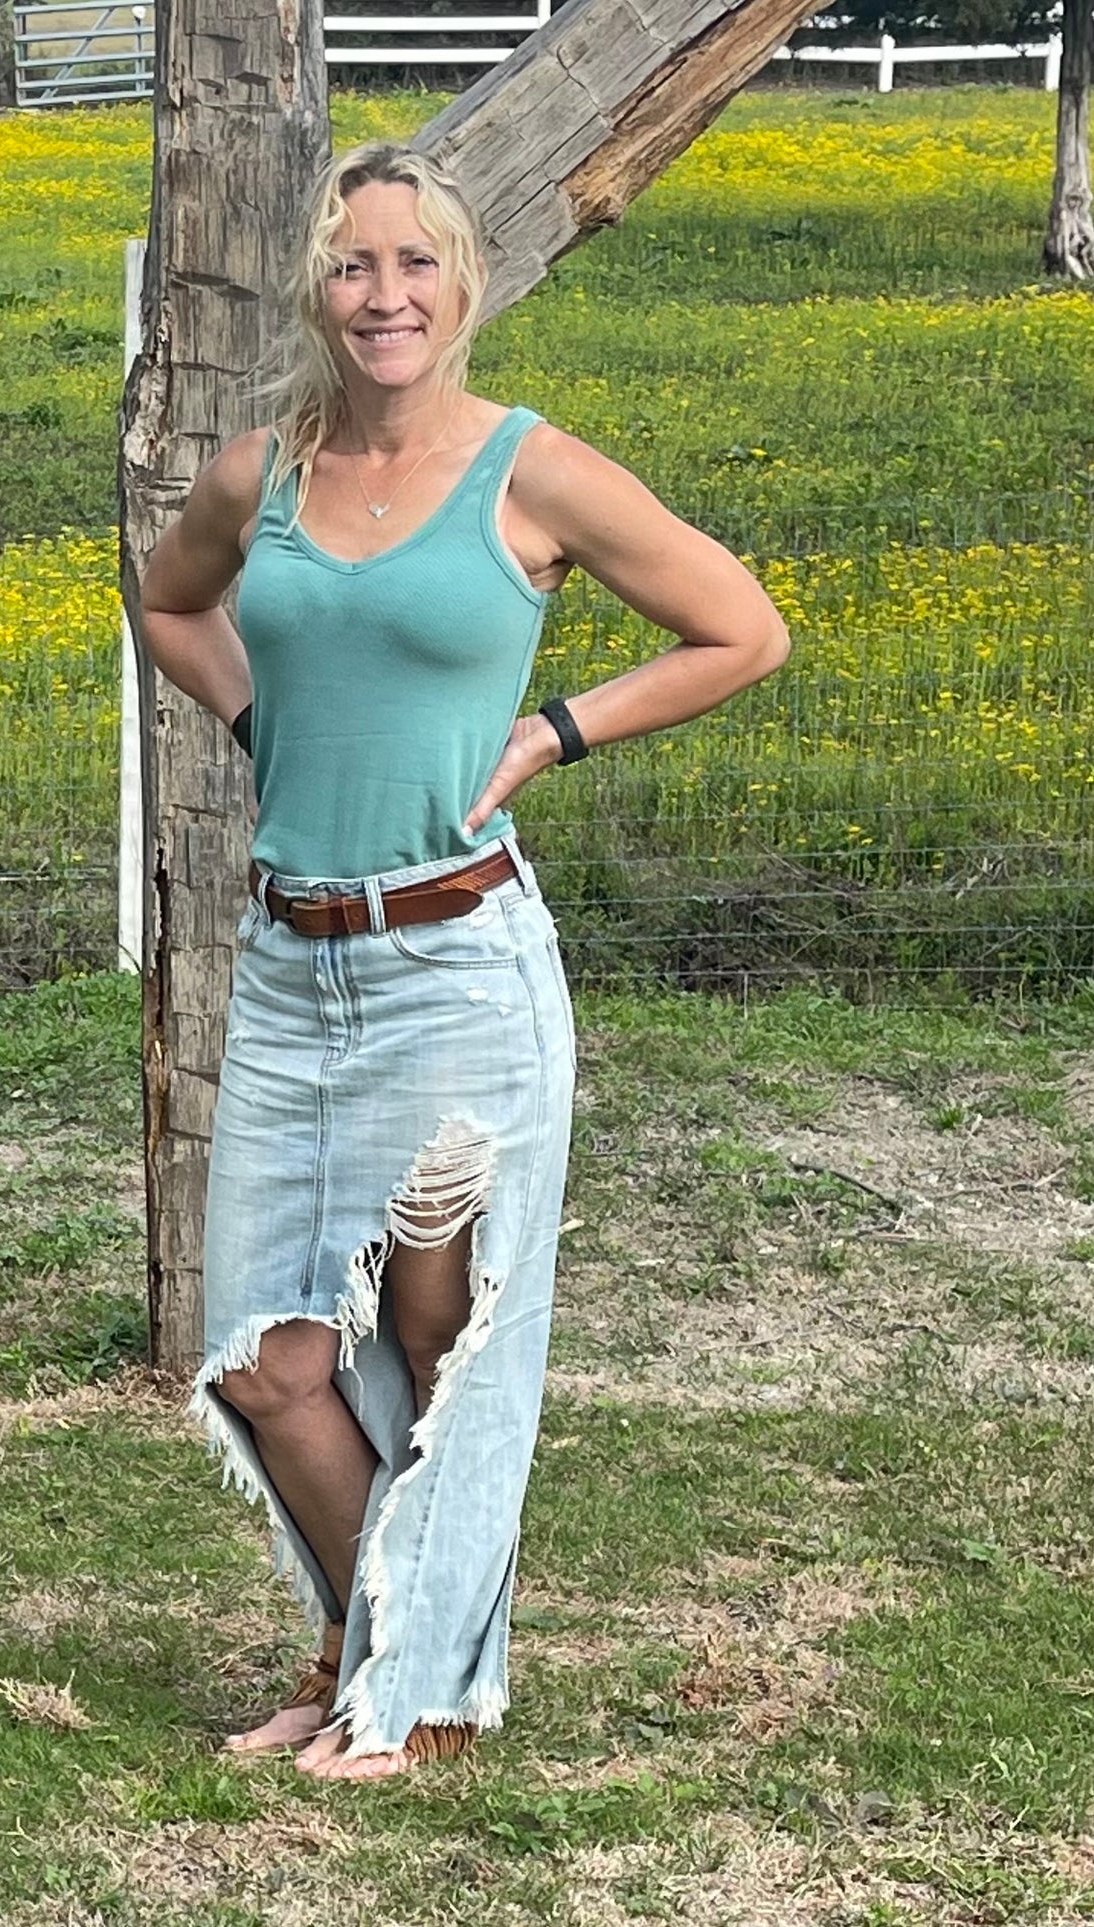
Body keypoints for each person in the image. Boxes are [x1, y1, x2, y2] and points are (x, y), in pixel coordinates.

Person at [138, 139, 790, 1783]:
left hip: (457, 968)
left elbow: (740, 629)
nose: (385, 295)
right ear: (315, 286)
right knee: (271, 1368)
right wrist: (256, 718)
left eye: (415, 263)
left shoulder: (531, 470)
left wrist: (555, 731)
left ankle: (413, 1694)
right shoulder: (257, 472)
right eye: (357, 265)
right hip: (290, 977)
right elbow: (167, 606)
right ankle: (387, 1657)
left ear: (461, 286)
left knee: (443, 1341)